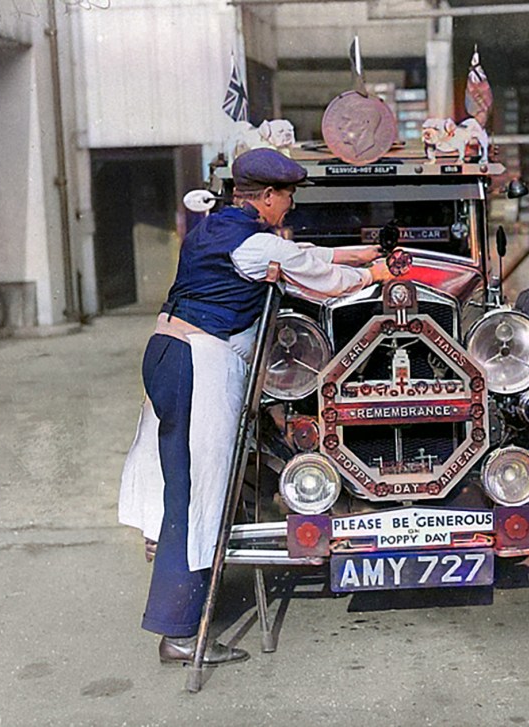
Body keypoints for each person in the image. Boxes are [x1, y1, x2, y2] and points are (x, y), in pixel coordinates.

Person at [118, 148, 393, 667]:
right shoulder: (254, 243)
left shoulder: (211, 229)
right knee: (203, 498)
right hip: (204, 361)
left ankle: (171, 596)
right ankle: (180, 635)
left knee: (178, 487)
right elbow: (317, 278)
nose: (289, 208)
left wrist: (349, 255)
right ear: (267, 197)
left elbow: (299, 254)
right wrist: (372, 276)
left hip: (167, 353)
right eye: (286, 199)